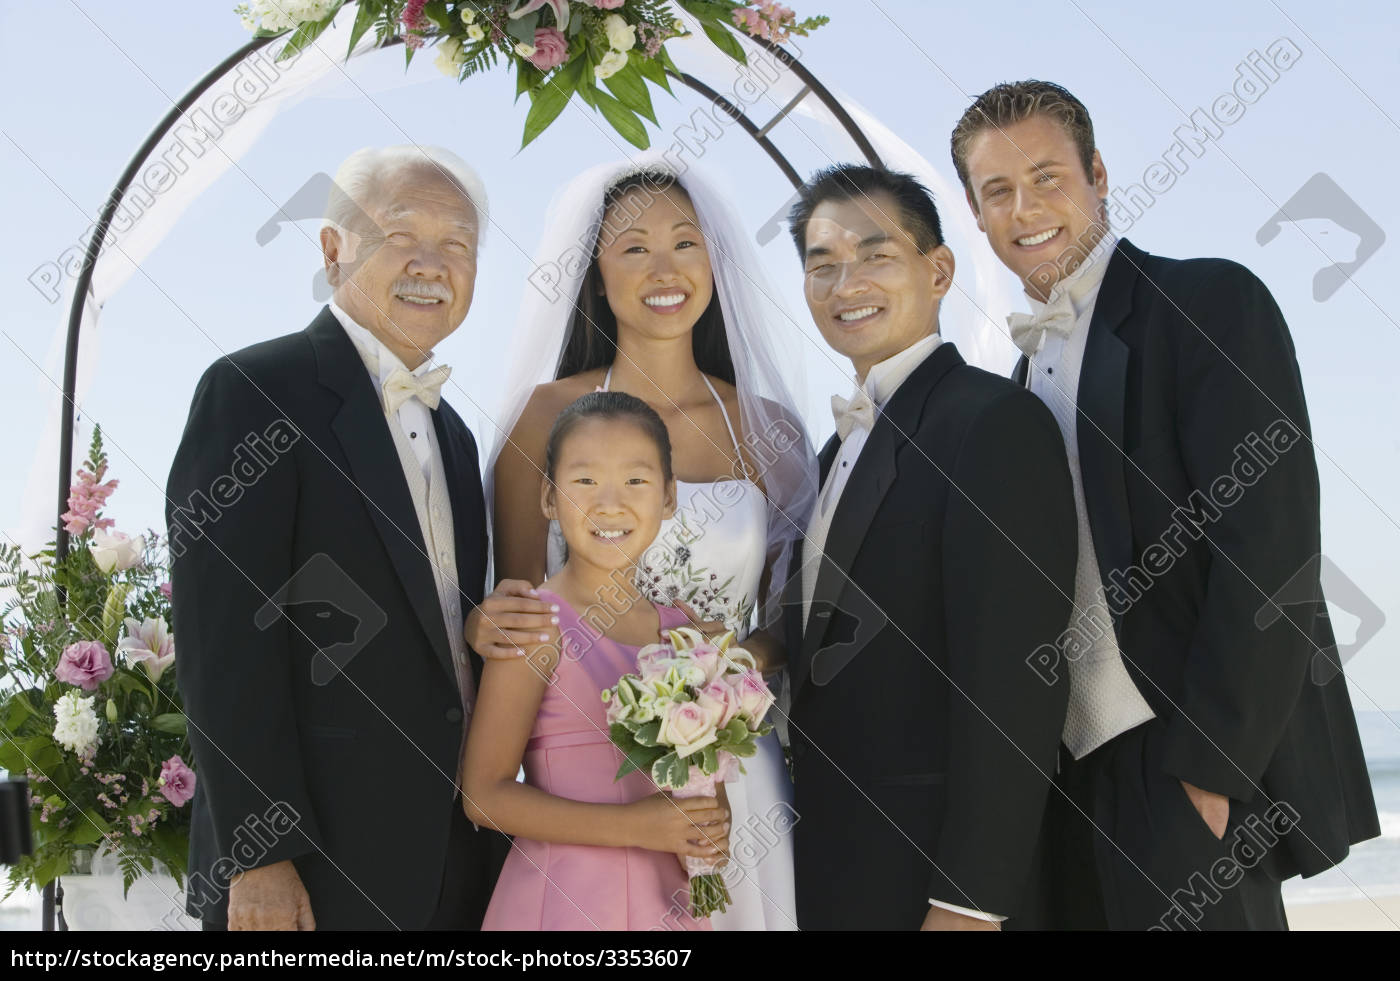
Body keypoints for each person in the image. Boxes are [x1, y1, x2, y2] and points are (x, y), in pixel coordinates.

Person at [951, 79, 1380, 930]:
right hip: (1062, 789)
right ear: (975, 214)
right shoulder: (1016, 381)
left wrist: (1210, 772)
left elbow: (1272, 551)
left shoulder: (1208, 304)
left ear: (1099, 174)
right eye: (997, 191)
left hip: (1182, 770)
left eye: (1047, 177)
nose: (1025, 208)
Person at [167, 145, 506, 930]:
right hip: (307, 871)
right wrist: (260, 852)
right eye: (400, 234)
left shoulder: (455, 436)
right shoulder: (254, 390)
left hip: (452, 859)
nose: (432, 262)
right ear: (332, 250)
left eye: (457, 243)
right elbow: (221, 645)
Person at [472, 160, 817, 930]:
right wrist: (483, 621)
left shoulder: (769, 431)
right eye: (632, 248)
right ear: (594, 273)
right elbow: (518, 612)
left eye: (685, 243)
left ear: (714, 261)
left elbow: (797, 616)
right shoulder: (545, 416)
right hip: (594, 781)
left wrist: (722, 672)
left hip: (734, 773)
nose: (664, 270)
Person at [784, 165, 1079, 930]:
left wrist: (969, 902)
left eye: (877, 255)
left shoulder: (992, 423)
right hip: (832, 871)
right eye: (823, 265)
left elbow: (1017, 685)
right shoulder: (829, 454)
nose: (848, 282)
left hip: (936, 888)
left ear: (937, 269)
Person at [465, 392, 730, 930]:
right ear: (548, 497)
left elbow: (708, 785)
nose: (610, 503)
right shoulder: (534, 626)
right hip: (565, 903)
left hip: (669, 904)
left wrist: (708, 830)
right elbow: (484, 796)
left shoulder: (687, 634)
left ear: (670, 496)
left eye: (636, 480)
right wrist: (641, 827)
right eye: (585, 481)